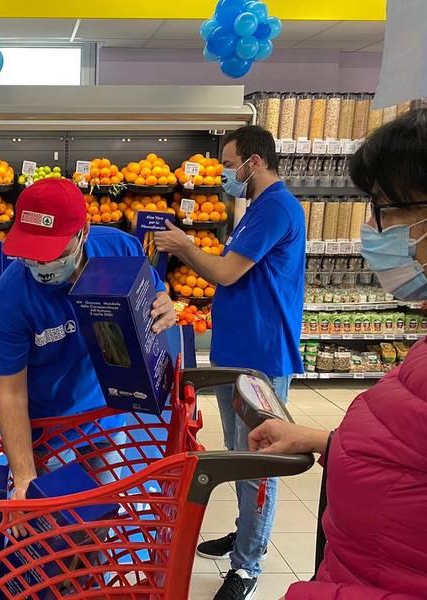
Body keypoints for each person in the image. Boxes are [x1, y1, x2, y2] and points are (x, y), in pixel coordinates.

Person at [250, 108, 427, 600]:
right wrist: (327, 440)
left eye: (386, 207)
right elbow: (410, 459)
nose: (374, 226)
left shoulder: (277, 209)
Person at [154, 125, 305, 600]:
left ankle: (249, 564)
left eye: (228, 162)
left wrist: (182, 247)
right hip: (236, 352)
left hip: (261, 357)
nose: (224, 173)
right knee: (241, 457)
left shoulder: (276, 207)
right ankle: (245, 536)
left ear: (253, 162)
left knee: (258, 462)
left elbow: (224, 271)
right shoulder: (256, 208)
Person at [0, 178, 177, 509]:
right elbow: (10, 391)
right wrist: (24, 479)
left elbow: (157, 292)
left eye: (52, 254)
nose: (42, 267)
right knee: (53, 528)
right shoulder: (11, 298)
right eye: (32, 255)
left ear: (83, 231)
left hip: (107, 411)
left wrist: (165, 303)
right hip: (47, 424)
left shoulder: (121, 250)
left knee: (101, 513)